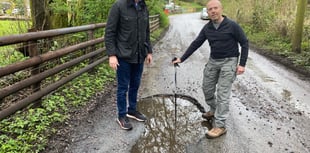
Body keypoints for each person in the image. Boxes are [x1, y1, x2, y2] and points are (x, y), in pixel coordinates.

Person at [172, 0, 249, 138]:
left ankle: (219, 126)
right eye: (210, 9)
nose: (213, 11)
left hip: (229, 61)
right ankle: (214, 109)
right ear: (207, 12)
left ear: (221, 9)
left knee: (222, 94)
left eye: (215, 8)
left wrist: (242, 64)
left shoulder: (232, 26)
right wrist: (182, 59)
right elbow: (196, 43)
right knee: (207, 88)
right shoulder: (208, 28)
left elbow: (244, 43)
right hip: (213, 61)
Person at [105, 0, 152, 130]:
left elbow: (146, 32)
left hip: (139, 55)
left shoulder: (143, 7)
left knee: (135, 85)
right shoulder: (119, 6)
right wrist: (112, 55)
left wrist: (149, 51)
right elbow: (110, 32)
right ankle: (121, 115)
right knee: (123, 87)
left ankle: (132, 110)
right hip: (123, 55)